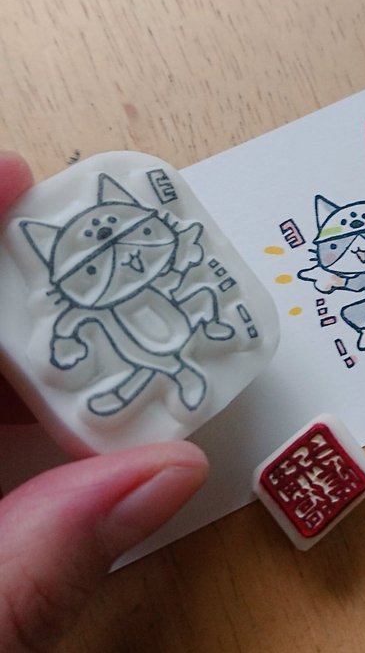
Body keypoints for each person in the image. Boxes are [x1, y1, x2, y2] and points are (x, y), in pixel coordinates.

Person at [0, 151, 210, 651]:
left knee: (162, 355)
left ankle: (168, 374)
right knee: (145, 364)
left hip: (168, 336)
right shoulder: (80, 306)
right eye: (92, 262)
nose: (122, 256)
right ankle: (160, 377)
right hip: (137, 353)